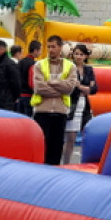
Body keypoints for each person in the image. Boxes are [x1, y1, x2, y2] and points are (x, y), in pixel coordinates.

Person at [32, 35, 79, 165]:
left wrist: (50, 82)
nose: (50, 50)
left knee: (56, 147)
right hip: (42, 111)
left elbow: (69, 88)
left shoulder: (70, 66)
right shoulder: (39, 65)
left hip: (60, 112)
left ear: (60, 48)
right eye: (48, 47)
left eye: (53, 47)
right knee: (42, 147)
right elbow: (39, 88)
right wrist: (59, 87)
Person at [62, 43, 98, 165]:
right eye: (76, 54)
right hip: (72, 104)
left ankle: (83, 162)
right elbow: (71, 87)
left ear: (85, 56)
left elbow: (94, 89)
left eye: (81, 54)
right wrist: (85, 88)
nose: (78, 56)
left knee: (86, 133)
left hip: (85, 106)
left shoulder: (89, 70)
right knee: (70, 137)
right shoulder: (69, 68)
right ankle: (66, 162)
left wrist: (81, 87)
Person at [17, 40, 41, 115]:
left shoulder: (20, 62)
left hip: (20, 96)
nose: (40, 52)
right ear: (35, 50)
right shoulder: (34, 64)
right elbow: (32, 83)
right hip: (29, 97)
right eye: (40, 50)